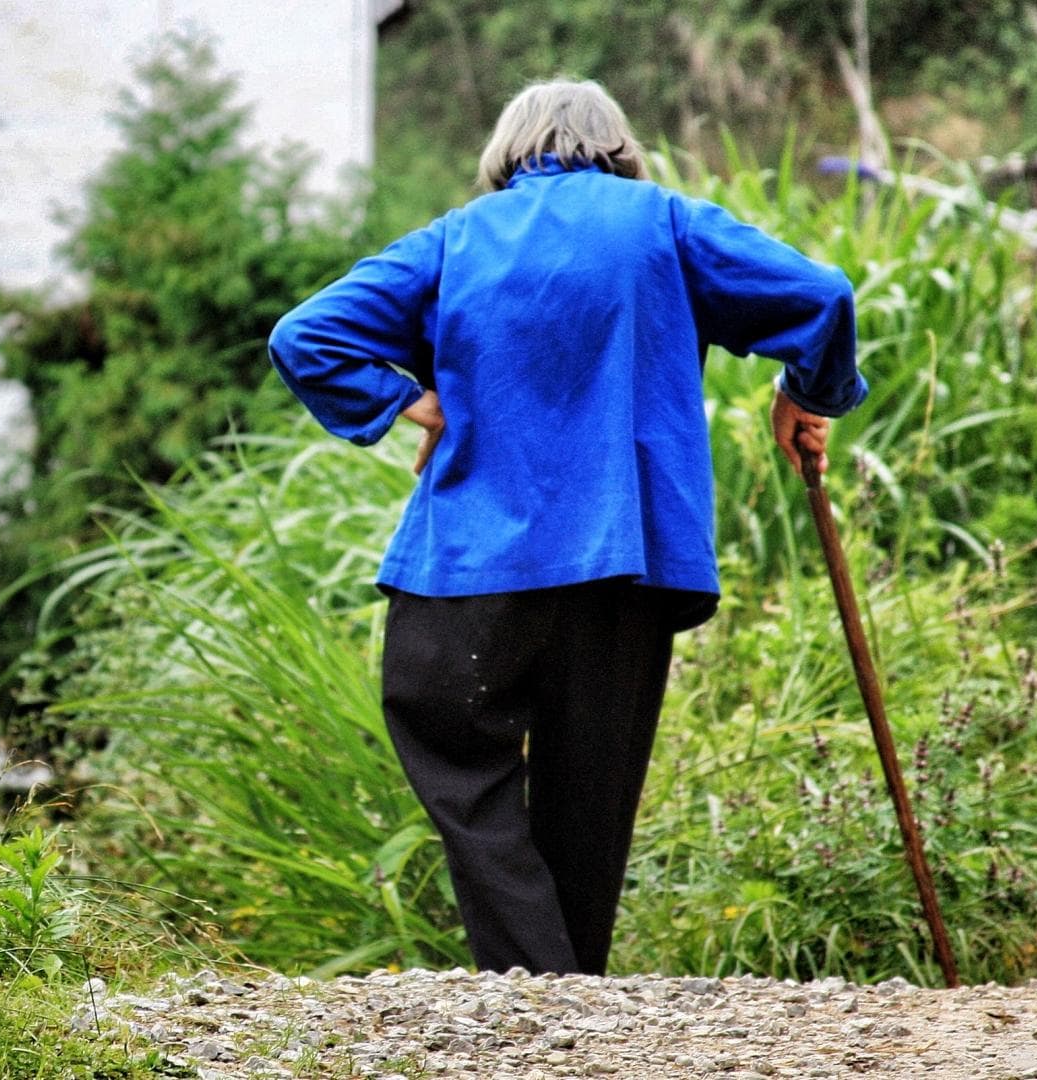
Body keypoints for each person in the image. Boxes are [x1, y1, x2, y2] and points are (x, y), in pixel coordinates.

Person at [265, 78, 868, 976]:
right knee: (590, 799)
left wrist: (407, 401)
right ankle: (566, 1006)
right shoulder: (665, 223)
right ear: (620, 150)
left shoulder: (457, 238)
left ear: (507, 156)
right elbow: (822, 295)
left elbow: (306, 335)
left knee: (450, 744)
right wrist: (805, 394)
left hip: (468, 573)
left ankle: (539, 1002)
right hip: (626, 568)